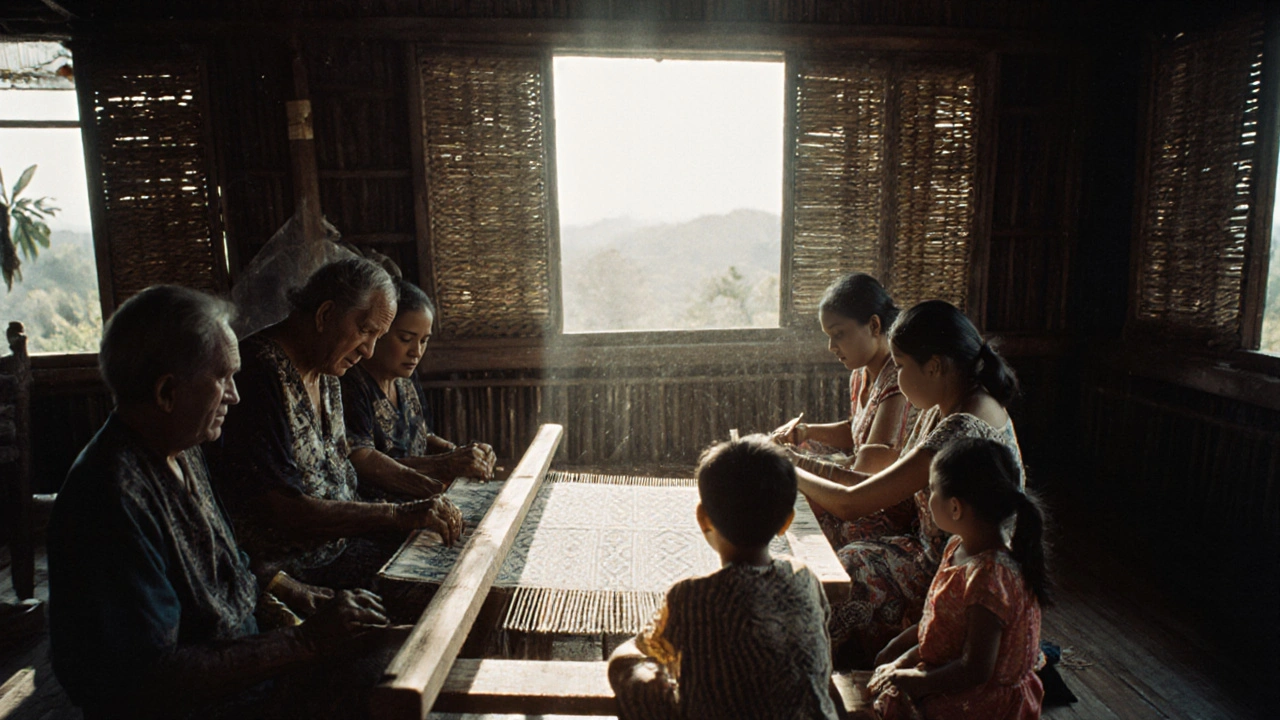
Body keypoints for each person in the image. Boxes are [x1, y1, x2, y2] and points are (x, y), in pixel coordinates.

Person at [48, 286, 394, 719]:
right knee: (381, 680)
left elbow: (223, 560)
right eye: (222, 378)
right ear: (167, 392)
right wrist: (305, 642)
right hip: (203, 706)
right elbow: (148, 679)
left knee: (386, 651)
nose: (235, 395)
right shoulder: (111, 498)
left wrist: (286, 588)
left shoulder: (182, 446)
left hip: (243, 671)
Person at [794, 300, 1025, 668]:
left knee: (845, 570)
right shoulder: (950, 405)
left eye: (900, 366)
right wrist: (808, 468)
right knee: (828, 526)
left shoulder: (961, 427)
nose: (897, 378)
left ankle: (819, 668)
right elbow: (883, 490)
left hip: (959, 569)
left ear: (934, 366)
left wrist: (791, 470)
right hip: (937, 545)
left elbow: (853, 502)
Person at [208, 258, 463, 591]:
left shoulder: (328, 370)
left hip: (344, 545)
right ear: (325, 315)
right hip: (293, 569)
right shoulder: (259, 373)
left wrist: (417, 503)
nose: (369, 351)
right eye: (366, 331)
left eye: (378, 337)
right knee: (440, 586)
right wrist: (397, 514)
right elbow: (283, 509)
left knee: (456, 556)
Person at [608, 436, 839, 720]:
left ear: (703, 518)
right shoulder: (805, 580)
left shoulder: (691, 597)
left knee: (625, 664)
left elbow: (644, 650)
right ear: (786, 522)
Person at [868, 437, 1047, 720]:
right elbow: (942, 623)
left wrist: (917, 681)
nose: (928, 498)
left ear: (955, 508)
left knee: (890, 704)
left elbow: (975, 669)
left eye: (932, 490)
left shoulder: (989, 578)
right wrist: (900, 652)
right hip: (955, 672)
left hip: (982, 700)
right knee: (886, 680)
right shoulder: (957, 546)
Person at [772, 273, 919, 546]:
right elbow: (856, 429)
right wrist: (803, 432)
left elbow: (864, 473)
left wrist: (795, 462)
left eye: (839, 334)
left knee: (788, 490)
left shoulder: (899, 382)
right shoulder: (861, 373)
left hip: (878, 501)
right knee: (797, 452)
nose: (831, 347)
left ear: (874, 325)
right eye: (829, 337)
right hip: (858, 476)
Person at [341, 279, 496, 497]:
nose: (416, 352)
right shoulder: (352, 384)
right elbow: (361, 461)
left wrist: (464, 454)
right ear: (379, 333)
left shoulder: (405, 379)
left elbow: (424, 435)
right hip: (379, 506)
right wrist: (446, 463)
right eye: (406, 339)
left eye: (424, 341)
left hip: (418, 496)